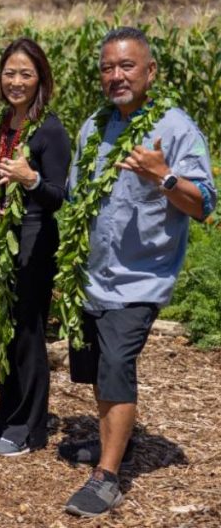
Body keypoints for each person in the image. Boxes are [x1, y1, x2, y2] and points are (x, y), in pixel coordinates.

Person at [58, 27, 215, 517]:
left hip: (140, 278)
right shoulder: (94, 127)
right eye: (108, 67)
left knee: (117, 367)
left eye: (127, 66)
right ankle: (112, 442)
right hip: (94, 276)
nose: (116, 76)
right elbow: (74, 196)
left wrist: (162, 176)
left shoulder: (173, 128)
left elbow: (204, 204)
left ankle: (107, 477)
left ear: (150, 72)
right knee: (97, 370)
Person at [0, 39, 70, 456]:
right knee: (5, 329)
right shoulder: (4, 123)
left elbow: (57, 196)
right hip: (2, 237)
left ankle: (29, 427)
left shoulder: (49, 129)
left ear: (41, 81)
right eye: (9, 73)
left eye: (26, 74)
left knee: (28, 331)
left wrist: (29, 178)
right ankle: (5, 415)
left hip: (33, 239)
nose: (16, 81)